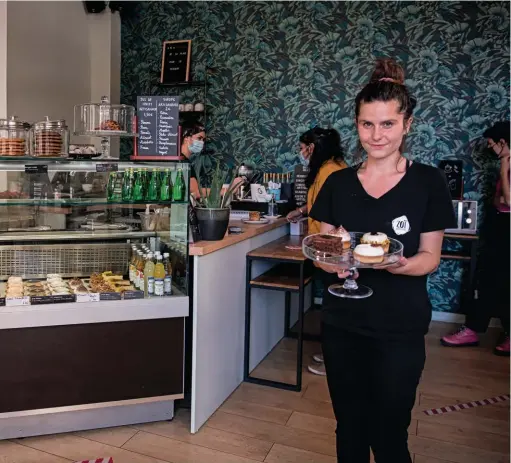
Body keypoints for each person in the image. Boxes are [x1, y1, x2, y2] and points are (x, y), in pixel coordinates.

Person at [309, 58, 456, 462]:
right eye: (367, 124)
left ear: (407, 124)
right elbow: (323, 251)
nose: (377, 135)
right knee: (350, 427)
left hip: (400, 326)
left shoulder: (427, 182)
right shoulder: (338, 183)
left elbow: (430, 257)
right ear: (356, 125)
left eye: (387, 124)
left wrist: (401, 264)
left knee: (390, 432)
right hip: (343, 323)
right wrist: (332, 262)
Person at [441, 121, 510, 355]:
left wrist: (503, 171)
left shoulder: (506, 166)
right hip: (497, 226)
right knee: (487, 280)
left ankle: (479, 330)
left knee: (499, 282)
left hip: (506, 230)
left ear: (503, 143)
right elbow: (498, 202)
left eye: (492, 144)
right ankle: (473, 328)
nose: (490, 149)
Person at [287, 127, 347, 376]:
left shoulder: (329, 171)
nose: (301, 153)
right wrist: (301, 211)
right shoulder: (332, 167)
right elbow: (317, 204)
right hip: (326, 242)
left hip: (330, 243)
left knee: (336, 302)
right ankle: (333, 351)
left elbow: (330, 211)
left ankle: (337, 356)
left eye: (303, 148)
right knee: (334, 300)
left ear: (312, 147)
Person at [181, 124, 206, 199]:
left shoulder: (185, 161)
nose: (202, 142)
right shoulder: (182, 162)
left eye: (203, 140)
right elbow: (196, 192)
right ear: (186, 138)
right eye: (199, 138)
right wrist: (227, 190)